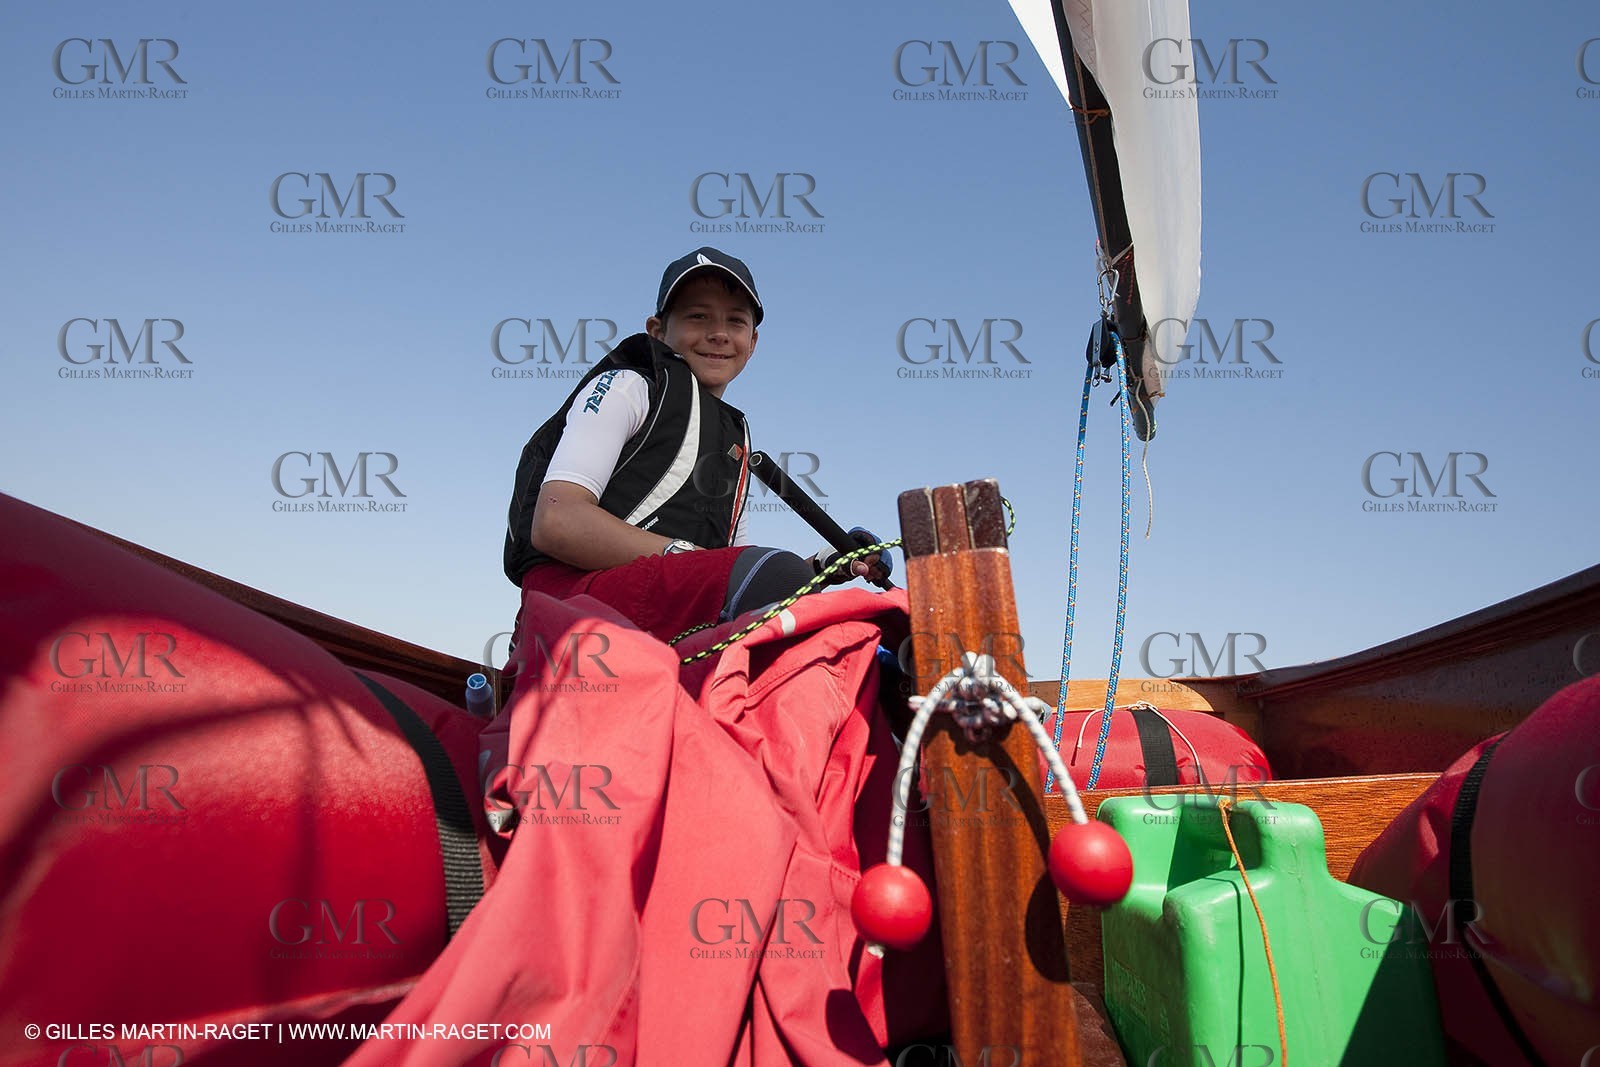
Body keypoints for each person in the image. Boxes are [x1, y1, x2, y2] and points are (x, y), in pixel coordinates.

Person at [502, 247, 889, 648]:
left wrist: (825, 567)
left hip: (669, 606)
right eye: (697, 316)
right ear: (657, 330)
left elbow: (740, 578)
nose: (719, 333)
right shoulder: (630, 386)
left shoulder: (734, 439)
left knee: (847, 617)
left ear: (752, 342)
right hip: (570, 604)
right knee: (775, 577)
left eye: (735, 321)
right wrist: (686, 556)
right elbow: (556, 521)